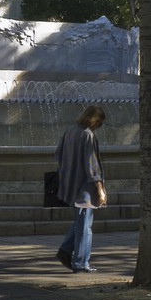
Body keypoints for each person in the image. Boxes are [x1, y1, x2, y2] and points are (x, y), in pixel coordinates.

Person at [54, 105, 107, 272]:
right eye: (99, 122)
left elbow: (58, 154)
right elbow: (92, 166)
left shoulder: (70, 132)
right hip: (85, 188)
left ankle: (64, 250)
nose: (99, 126)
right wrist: (100, 189)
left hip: (70, 184)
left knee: (79, 222)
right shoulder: (87, 135)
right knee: (85, 226)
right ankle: (81, 263)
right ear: (94, 120)